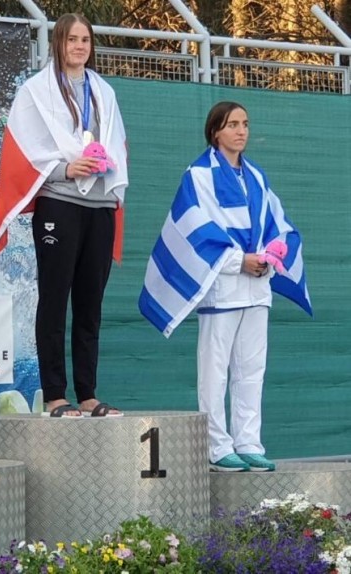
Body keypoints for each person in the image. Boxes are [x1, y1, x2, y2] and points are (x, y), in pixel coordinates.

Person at [139, 101, 311, 472]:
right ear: (215, 131)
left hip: (258, 288)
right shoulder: (199, 174)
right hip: (222, 288)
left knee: (252, 369)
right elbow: (196, 228)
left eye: (245, 123)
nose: (241, 131)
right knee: (214, 371)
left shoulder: (257, 176)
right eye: (233, 124)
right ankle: (217, 446)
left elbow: (278, 224)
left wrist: (270, 257)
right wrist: (239, 261)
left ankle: (249, 442)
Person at [0, 14, 129, 418]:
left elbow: (117, 145)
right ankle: (55, 394)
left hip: (99, 205)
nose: (79, 46)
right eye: (72, 39)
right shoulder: (36, 91)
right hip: (59, 202)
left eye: (85, 39)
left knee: (90, 304)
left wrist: (105, 170)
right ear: (58, 43)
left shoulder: (104, 91)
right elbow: (24, 150)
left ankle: (88, 394)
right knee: (55, 299)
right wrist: (65, 169)